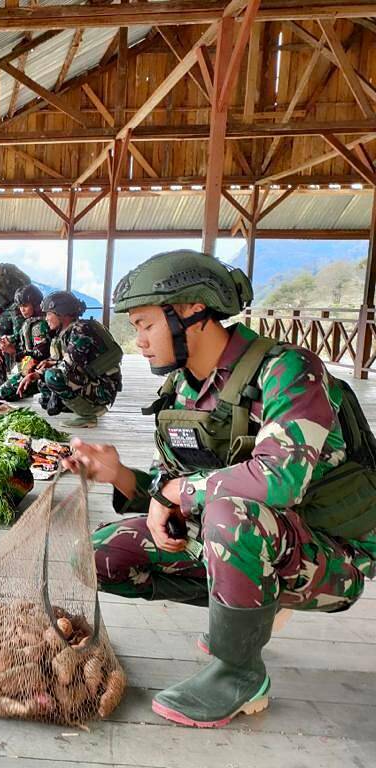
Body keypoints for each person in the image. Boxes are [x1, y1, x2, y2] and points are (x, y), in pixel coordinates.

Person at [64, 249, 376, 729]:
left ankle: (239, 672)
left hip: (329, 555)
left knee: (233, 512)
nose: (139, 340)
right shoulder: (182, 391)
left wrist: (177, 495)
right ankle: (244, 612)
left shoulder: (288, 370)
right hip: (243, 542)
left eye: (146, 324)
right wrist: (123, 477)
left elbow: (278, 477)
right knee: (97, 556)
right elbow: (174, 484)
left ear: (192, 311)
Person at [37, 290, 123, 429]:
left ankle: (89, 414)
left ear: (62, 313)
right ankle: (79, 407)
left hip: (103, 388)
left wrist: (41, 373)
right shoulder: (68, 331)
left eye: (48, 313)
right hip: (94, 382)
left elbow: (69, 367)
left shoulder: (81, 330)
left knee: (52, 376)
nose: (46, 318)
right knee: (45, 384)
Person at [0, 284, 54, 401]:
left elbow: (41, 354)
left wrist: (14, 351)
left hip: (39, 371)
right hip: (29, 368)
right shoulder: (29, 322)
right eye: (20, 306)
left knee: (5, 392)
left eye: (25, 306)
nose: (22, 310)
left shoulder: (40, 326)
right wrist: (7, 340)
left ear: (36, 305)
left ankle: (46, 388)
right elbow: (20, 337)